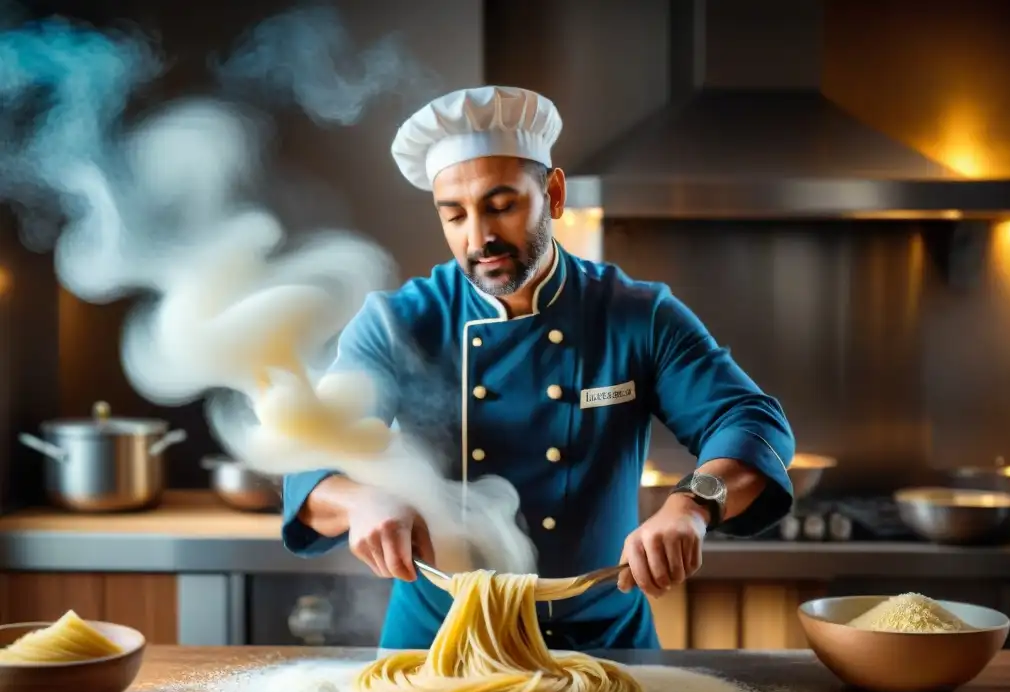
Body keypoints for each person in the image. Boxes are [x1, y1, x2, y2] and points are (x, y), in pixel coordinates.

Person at [282, 86, 795, 651]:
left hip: (604, 644)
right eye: (454, 216)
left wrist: (693, 504)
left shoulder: (636, 314)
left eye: (501, 206)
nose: (479, 239)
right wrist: (361, 501)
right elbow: (309, 458)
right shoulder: (397, 323)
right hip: (438, 646)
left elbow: (749, 420)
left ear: (552, 194)